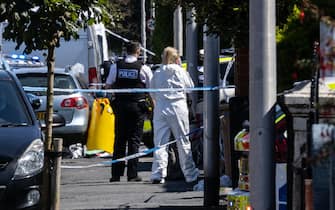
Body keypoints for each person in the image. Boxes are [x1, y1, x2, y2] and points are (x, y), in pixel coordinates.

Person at [150, 46, 199, 186]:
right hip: (178, 107)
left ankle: (158, 174)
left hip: (161, 107)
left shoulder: (157, 72)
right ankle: (189, 174)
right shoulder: (180, 71)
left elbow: (152, 92)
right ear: (176, 58)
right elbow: (190, 87)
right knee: (183, 141)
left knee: (160, 143)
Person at [105, 41, 153, 182]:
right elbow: (150, 91)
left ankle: (116, 174)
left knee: (119, 139)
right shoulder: (143, 68)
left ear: (126, 51)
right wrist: (153, 107)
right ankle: (132, 174)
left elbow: (108, 86)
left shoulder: (116, 66)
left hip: (120, 107)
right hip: (137, 108)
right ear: (138, 51)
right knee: (134, 140)